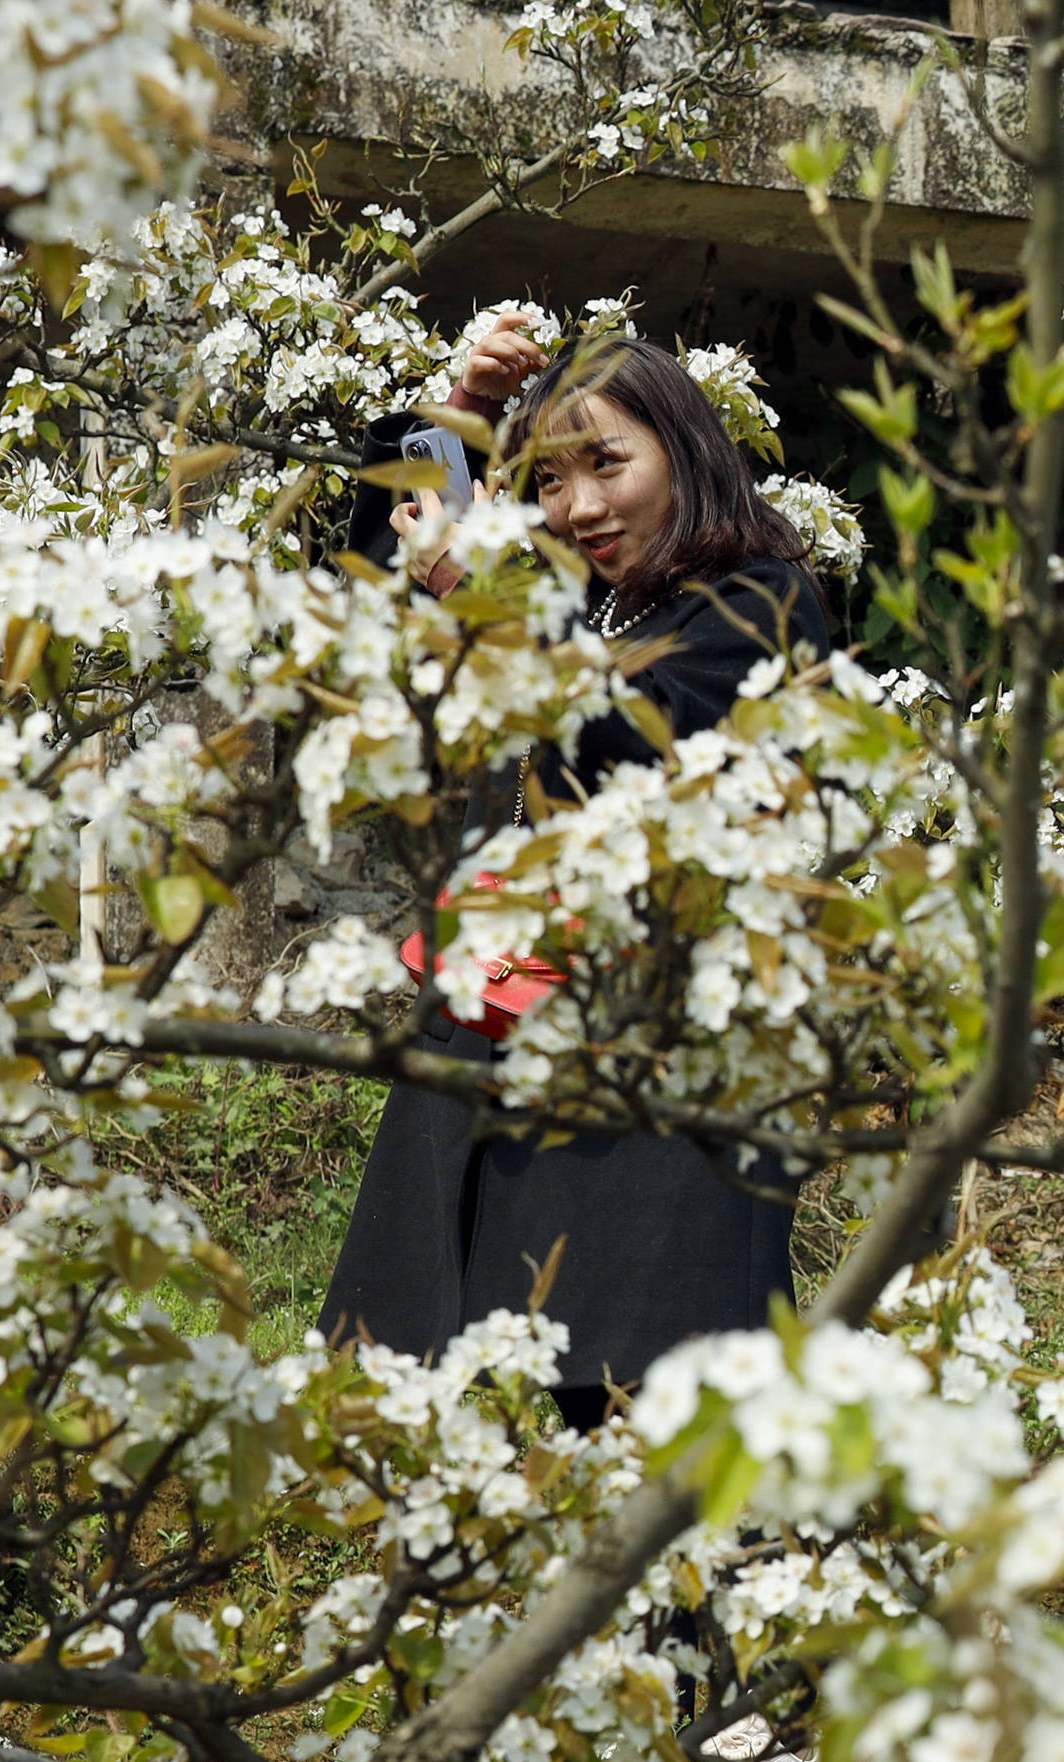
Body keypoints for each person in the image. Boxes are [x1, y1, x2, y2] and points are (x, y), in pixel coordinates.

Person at [317, 326, 832, 1426]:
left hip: (655, 1070)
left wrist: (481, 598)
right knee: (440, 1400)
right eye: (549, 477)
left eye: (610, 464)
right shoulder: (563, 594)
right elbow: (365, 590)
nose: (581, 506)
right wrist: (455, 410)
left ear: (687, 450)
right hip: (494, 1028)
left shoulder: (761, 600)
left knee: (641, 1408)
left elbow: (632, 736)